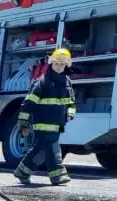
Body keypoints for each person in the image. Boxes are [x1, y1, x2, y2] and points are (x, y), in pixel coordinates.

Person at [15, 48, 77, 186]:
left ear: (66, 65)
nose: (59, 66)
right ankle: (58, 176)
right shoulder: (42, 82)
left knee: (41, 150)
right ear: (51, 63)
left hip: (57, 124)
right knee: (52, 148)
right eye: (56, 63)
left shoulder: (66, 82)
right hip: (42, 123)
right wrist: (23, 120)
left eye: (62, 64)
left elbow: (71, 101)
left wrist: (71, 113)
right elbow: (29, 102)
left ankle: (23, 172)